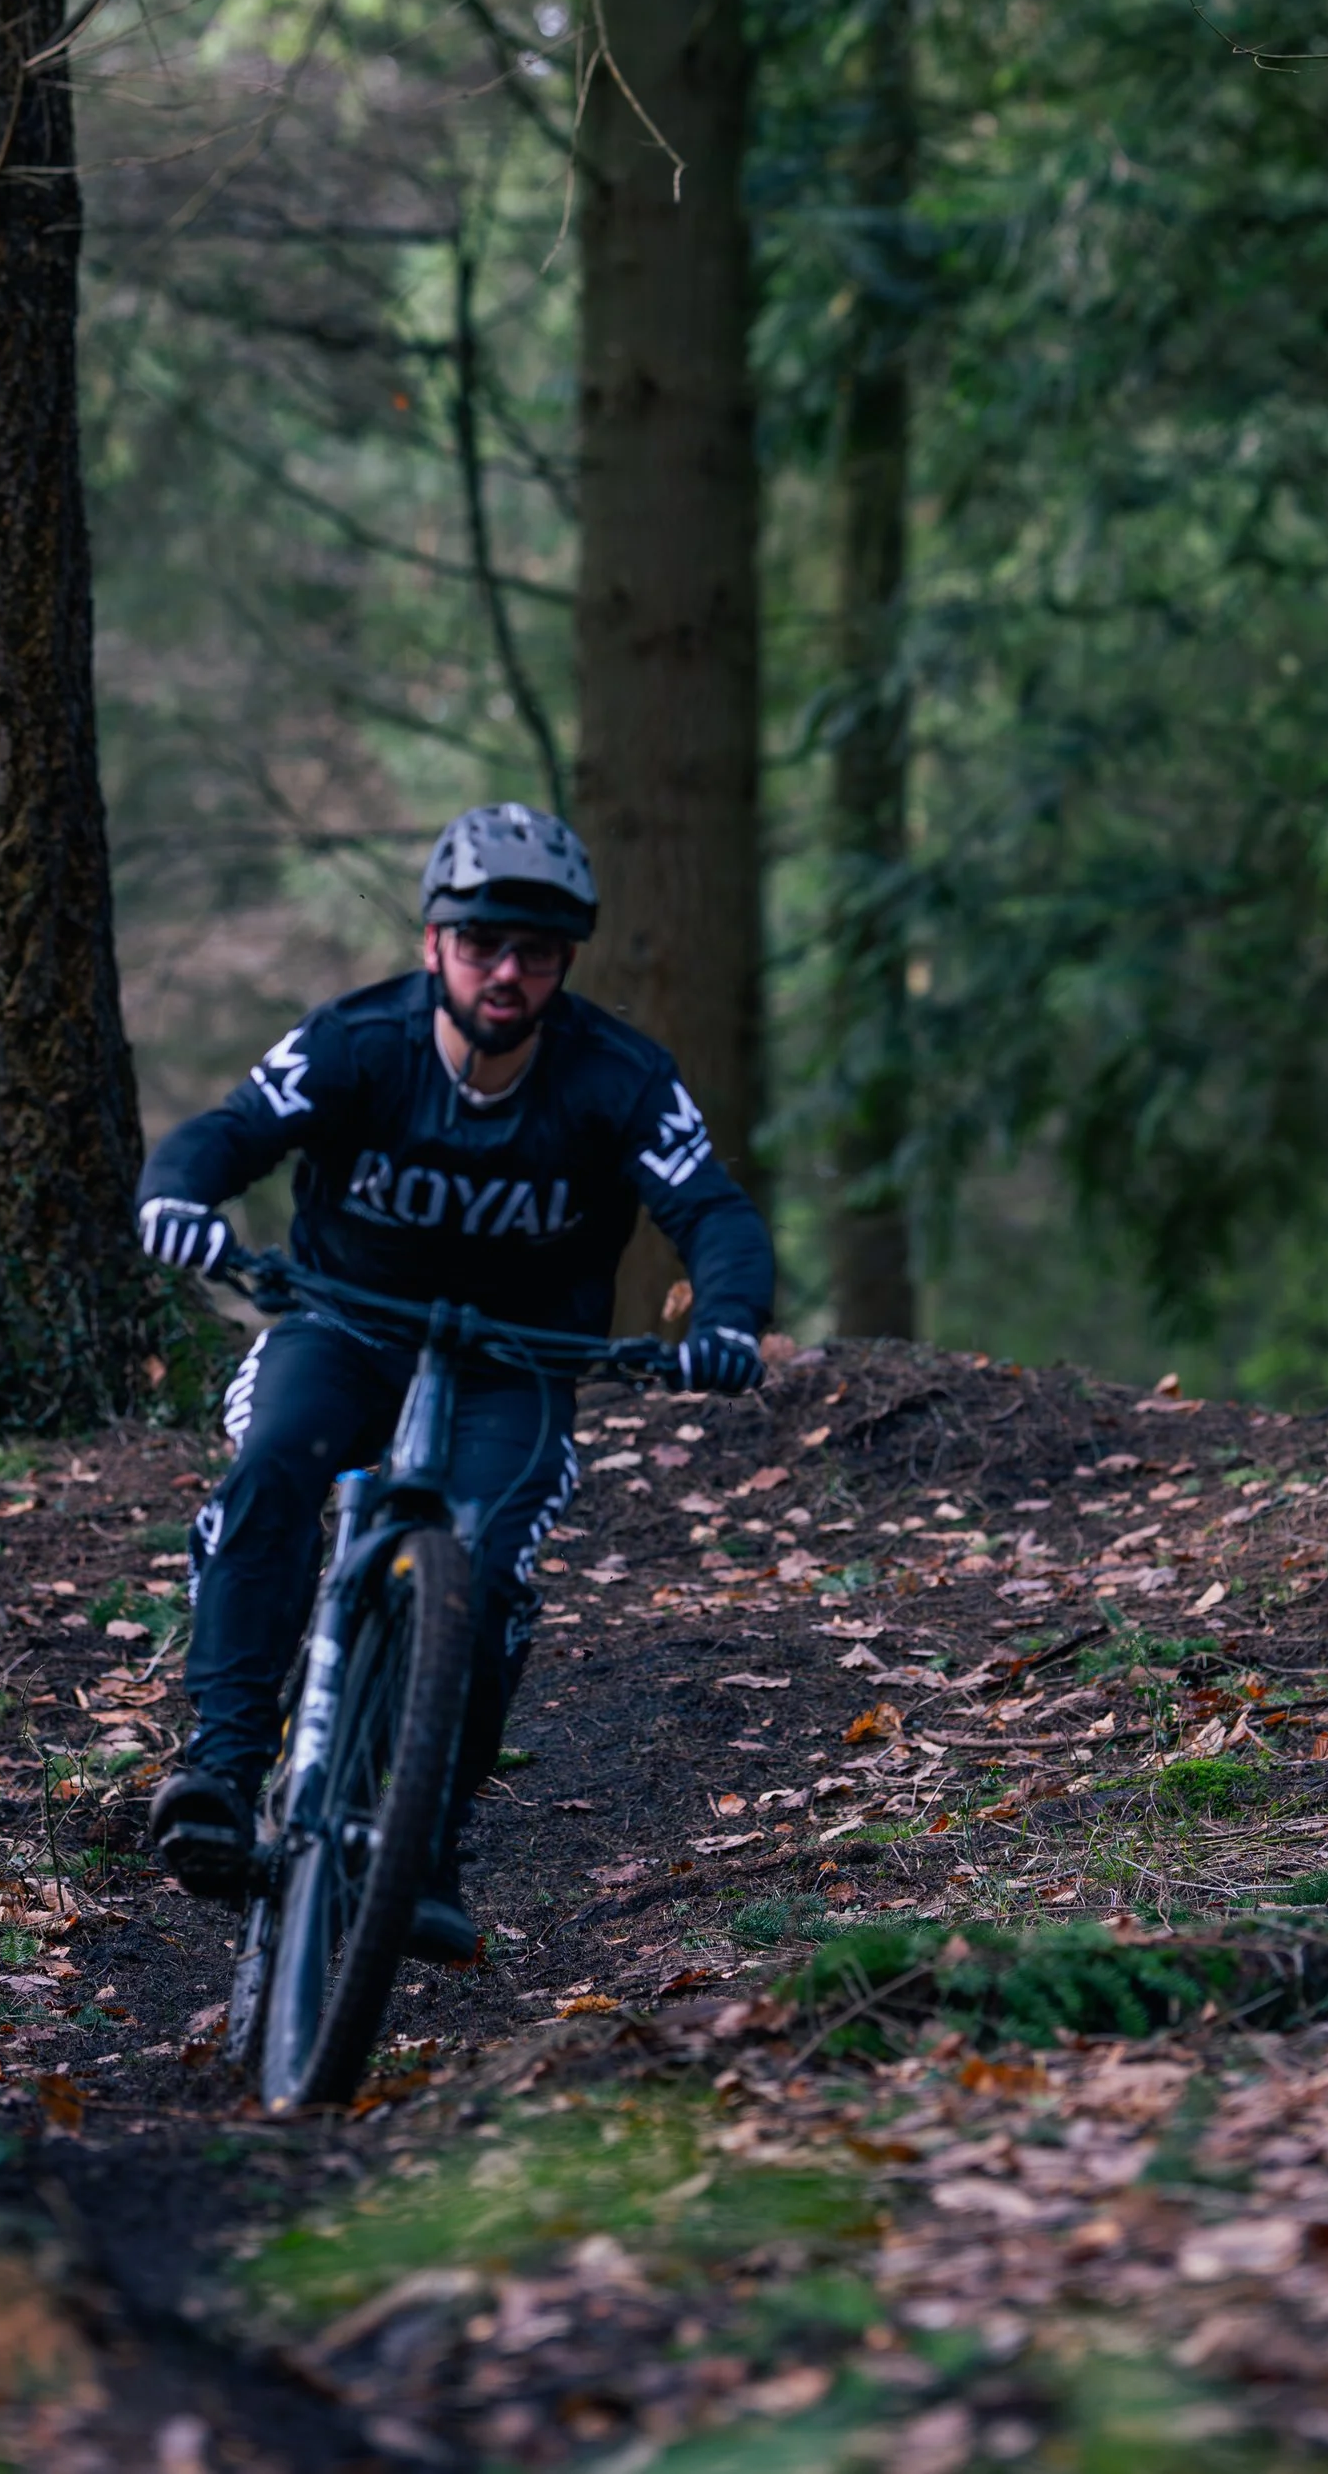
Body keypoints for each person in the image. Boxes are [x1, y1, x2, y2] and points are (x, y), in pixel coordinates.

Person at [131, 802, 776, 1963]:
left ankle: (423, 1845)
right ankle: (220, 1770)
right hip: (342, 1326)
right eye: (482, 944)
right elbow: (225, 1133)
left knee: (485, 1572)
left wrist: (727, 1322)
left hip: (519, 1365)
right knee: (275, 1467)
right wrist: (176, 1200)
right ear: (433, 944)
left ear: (564, 962)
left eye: (534, 951)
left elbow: (712, 1211)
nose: (507, 972)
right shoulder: (357, 1043)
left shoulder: (617, 1079)